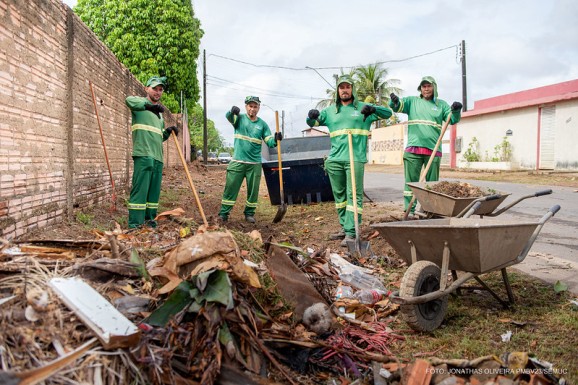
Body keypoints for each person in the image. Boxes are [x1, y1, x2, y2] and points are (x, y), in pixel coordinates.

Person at [306, 74, 392, 246]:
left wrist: (373, 109)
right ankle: (345, 227)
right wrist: (311, 116)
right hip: (335, 159)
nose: (344, 90)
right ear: (337, 91)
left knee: (354, 195)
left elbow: (388, 113)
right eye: (341, 87)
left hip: (355, 159)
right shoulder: (330, 111)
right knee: (340, 197)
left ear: (352, 89)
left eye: (347, 87)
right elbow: (312, 122)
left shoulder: (363, 108)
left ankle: (352, 232)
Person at [389, 76, 462, 215]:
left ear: (434, 87)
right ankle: (409, 211)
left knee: (432, 183)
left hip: (433, 150)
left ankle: (430, 211)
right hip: (413, 149)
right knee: (411, 183)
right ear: (420, 88)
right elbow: (398, 107)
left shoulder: (441, 105)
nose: (426, 88)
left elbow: (452, 119)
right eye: (423, 86)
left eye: (429, 86)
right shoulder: (412, 101)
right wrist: (394, 102)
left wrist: (456, 110)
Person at [125, 76, 179, 229]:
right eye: (154, 88)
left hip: (157, 157)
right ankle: (135, 224)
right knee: (140, 191)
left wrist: (168, 132)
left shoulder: (160, 115)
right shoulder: (139, 105)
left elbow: (159, 136)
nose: (158, 92)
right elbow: (128, 100)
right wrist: (149, 106)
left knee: (153, 194)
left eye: (160, 89)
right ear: (146, 88)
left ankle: (150, 221)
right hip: (143, 154)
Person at [218, 96, 281, 223]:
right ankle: (224, 214)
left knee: (253, 191)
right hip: (238, 162)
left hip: (254, 164)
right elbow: (229, 117)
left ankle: (249, 214)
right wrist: (232, 112)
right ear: (246, 106)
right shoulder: (239, 118)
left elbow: (269, 142)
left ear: (258, 108)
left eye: (255, 106)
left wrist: (276, 139)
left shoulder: (262, 125)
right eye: (250, 106)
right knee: (230, 189)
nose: (252, 109)